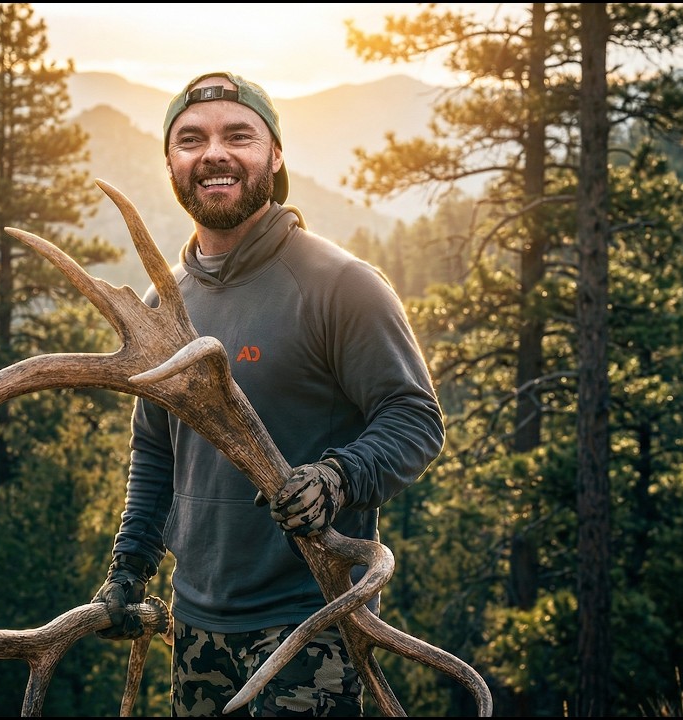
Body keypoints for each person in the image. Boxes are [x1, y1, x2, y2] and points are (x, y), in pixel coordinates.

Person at [91, 70, 445, 717]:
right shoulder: (163, 309)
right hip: (196, 628)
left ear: (275, 155)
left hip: (311, 625)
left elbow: (414, 419)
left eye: (238, 135)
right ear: (171, 160)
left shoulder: (339, 284)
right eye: (191, 139)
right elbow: (155, 454)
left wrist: (336, 479)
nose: (213, 153)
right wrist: (128, 570)